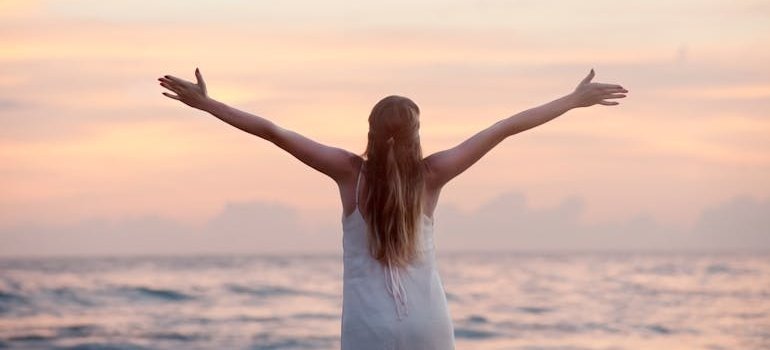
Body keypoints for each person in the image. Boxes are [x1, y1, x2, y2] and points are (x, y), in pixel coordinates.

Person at [157, 68, 627, 349]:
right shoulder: (434, 173)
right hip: (428, 323)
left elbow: (274, 132)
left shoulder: (348, 173)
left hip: (368, 328)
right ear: (417, 133)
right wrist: (572, 100)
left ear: (370, 129)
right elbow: (505, 127)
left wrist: (207, 104)